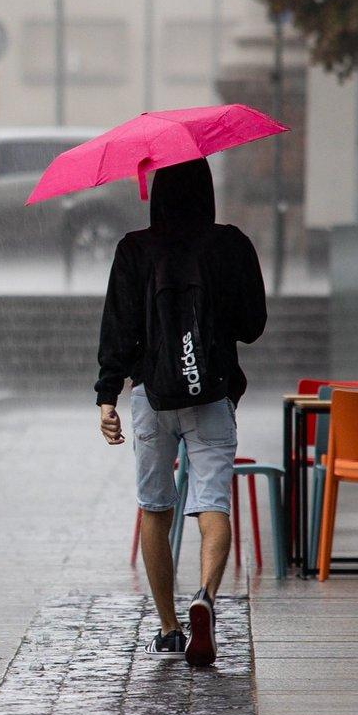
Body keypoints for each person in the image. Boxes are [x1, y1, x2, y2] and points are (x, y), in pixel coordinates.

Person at [96, 158, 267, 665]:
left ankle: (170, 628)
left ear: (159, 193)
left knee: (155, 506)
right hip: (211, 395)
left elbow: (118, 329)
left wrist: (108, 395)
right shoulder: (229, 243)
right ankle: (206, 598)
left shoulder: (134, 249)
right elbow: (252, 325)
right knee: (212, 504)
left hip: (153, 395)